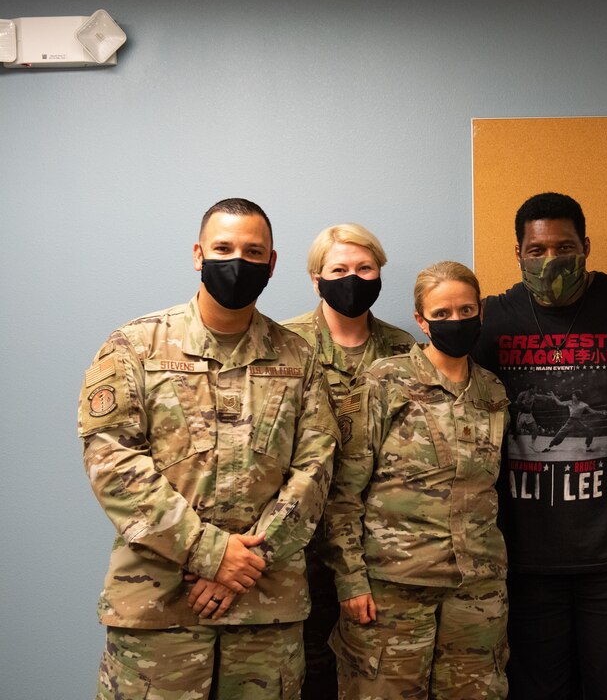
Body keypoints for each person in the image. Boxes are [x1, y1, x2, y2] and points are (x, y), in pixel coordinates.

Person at [78, 198, 338, 698]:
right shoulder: (136, 346)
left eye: (252, 250)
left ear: (272, 262)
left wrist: (243, 565)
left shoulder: (298, 357)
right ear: (198, 254)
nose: (237, 260)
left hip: (265, 608)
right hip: (160, 609)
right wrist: (211, 553)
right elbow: (112, 461)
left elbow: (317, 464)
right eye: (223, 248)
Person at [473, 192, 607, 699]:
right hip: (523, 554)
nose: (550, 259)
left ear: (586, 246)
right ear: (517, 253)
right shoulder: (490, 319)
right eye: (536, 250)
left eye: (564, 246)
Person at [325, 261, 510, 700]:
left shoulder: (493, 392)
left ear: (481, 311)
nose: (456, 322)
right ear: (421, 320)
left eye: (466, 311)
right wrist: (350, 581)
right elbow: (344, 492)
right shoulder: (385, 382)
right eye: (442, 314)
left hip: (477, 588)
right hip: (392, 591)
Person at [282, 223, 415, 698]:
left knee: (370, 667)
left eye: (365, 268)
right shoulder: (285, 345)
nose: (353, 278)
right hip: (295, 538)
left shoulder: (405, 351)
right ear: (316, 278)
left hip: (376, 542)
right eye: (339, 269)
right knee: (302, 666)